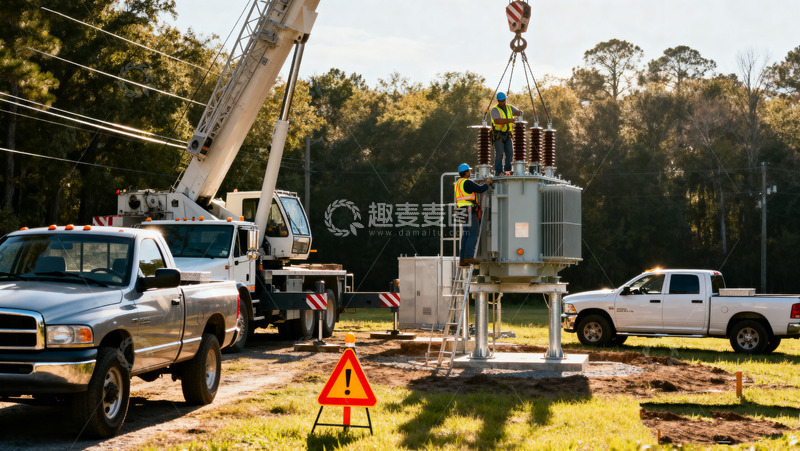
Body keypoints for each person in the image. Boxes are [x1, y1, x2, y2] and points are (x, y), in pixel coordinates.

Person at [454, 163, 492, 266]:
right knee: (473, 232)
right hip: (468, 210)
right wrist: (488, 183)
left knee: (466, 234)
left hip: (461, 210)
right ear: (465, 172)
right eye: (469, 171)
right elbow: (480, 189)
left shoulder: (458, 183)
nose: (470, 173)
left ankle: (462, 259)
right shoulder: (467, 182)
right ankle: (468, 257)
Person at [490, 92, 522, 175]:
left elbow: (518, 112)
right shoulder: (494, 110)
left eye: (504, 100)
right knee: (499, 154)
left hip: (508, 135)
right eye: (502, 101)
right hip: (498, 135)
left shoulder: (509, 107)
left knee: (510, 153)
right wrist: (510, 120)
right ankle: (498, 172)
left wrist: (520, 112)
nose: (504, 102)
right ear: (498, 101)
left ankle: (507, 171)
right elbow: (497, 121)